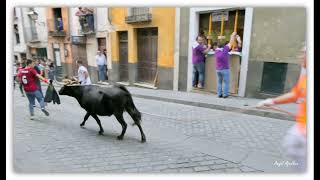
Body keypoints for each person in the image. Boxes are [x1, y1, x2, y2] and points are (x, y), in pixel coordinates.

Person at [257, 45, 307, 172]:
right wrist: (272, 101)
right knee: (291, 145)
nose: (300, 57)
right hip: (302, 127)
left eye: (303, 54)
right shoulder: (305, 77)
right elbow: (295, 94)